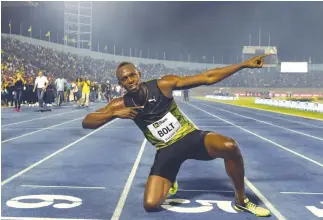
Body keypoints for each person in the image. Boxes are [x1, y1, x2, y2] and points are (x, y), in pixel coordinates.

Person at [82, 54, 271, 217]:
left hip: (190, 137)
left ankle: (241, 200)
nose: (130, 80)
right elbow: (87, 122)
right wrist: (112, 114)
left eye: (133, 75)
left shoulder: (163, 85)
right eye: (125, 78)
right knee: (151, 205)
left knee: (230, 146)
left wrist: (243, 64)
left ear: (139, 74)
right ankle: (171, 178)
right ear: (120, 83)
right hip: (166, 150)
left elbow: (208, 77)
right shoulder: (120, 104)